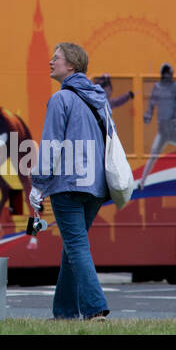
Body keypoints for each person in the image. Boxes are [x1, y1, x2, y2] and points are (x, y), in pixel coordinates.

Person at [29, 42, 113, 321]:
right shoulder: (99, 99)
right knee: (73, 246)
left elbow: (51, 143)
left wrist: (38, 184)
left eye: (57, 58)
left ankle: (95, 308)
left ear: (71, 66)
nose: (51, 62)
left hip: (68, 184)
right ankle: (64, 312)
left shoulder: (61, 99)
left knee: (76, 245)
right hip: (97, 187)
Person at [139, 49, 176, 191]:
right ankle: (142, 182)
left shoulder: (174, 86)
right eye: (167, 74)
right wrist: (147, 116)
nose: (169, 77)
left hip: (173, 129)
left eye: (170, 75)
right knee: (153, 155)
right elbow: (151, 104)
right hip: (162, 131)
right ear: (164, 75)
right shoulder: (157, 87)